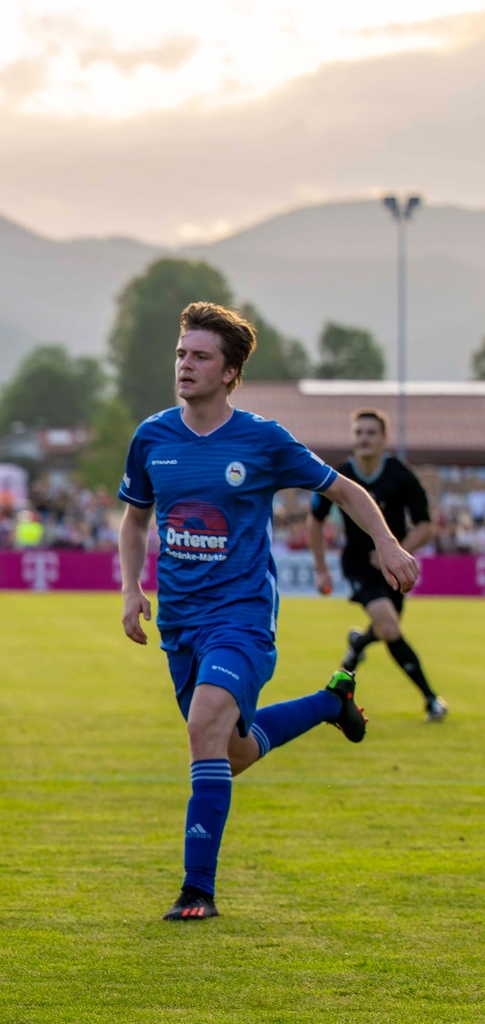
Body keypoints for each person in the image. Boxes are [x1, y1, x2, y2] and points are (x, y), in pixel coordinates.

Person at [117, 302, 415, 922]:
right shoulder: (152, 436)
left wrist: (386, 542)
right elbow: (135, 518)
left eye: (200, 356)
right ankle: (330, 703)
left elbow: (343, 489)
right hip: (180, 622)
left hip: (243, 616)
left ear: (229, 373)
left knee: (203, 727)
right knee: (229, 752)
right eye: (181, 354)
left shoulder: (262, 439)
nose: (185, 365)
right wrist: (130, 589)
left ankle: (197, 890)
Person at [309, 409, 447, 722]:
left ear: (384, 439)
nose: (364, 439)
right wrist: (320, 568)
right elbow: (314, 520)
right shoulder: (340, 474)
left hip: (395, 567)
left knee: (387, 629)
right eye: (359, 433)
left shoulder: (401, 474)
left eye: (371, 433)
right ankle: (431, 700)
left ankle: (359, 643)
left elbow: (426, 525)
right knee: (389, 625)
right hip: (358, 565)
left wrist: (396, 549)